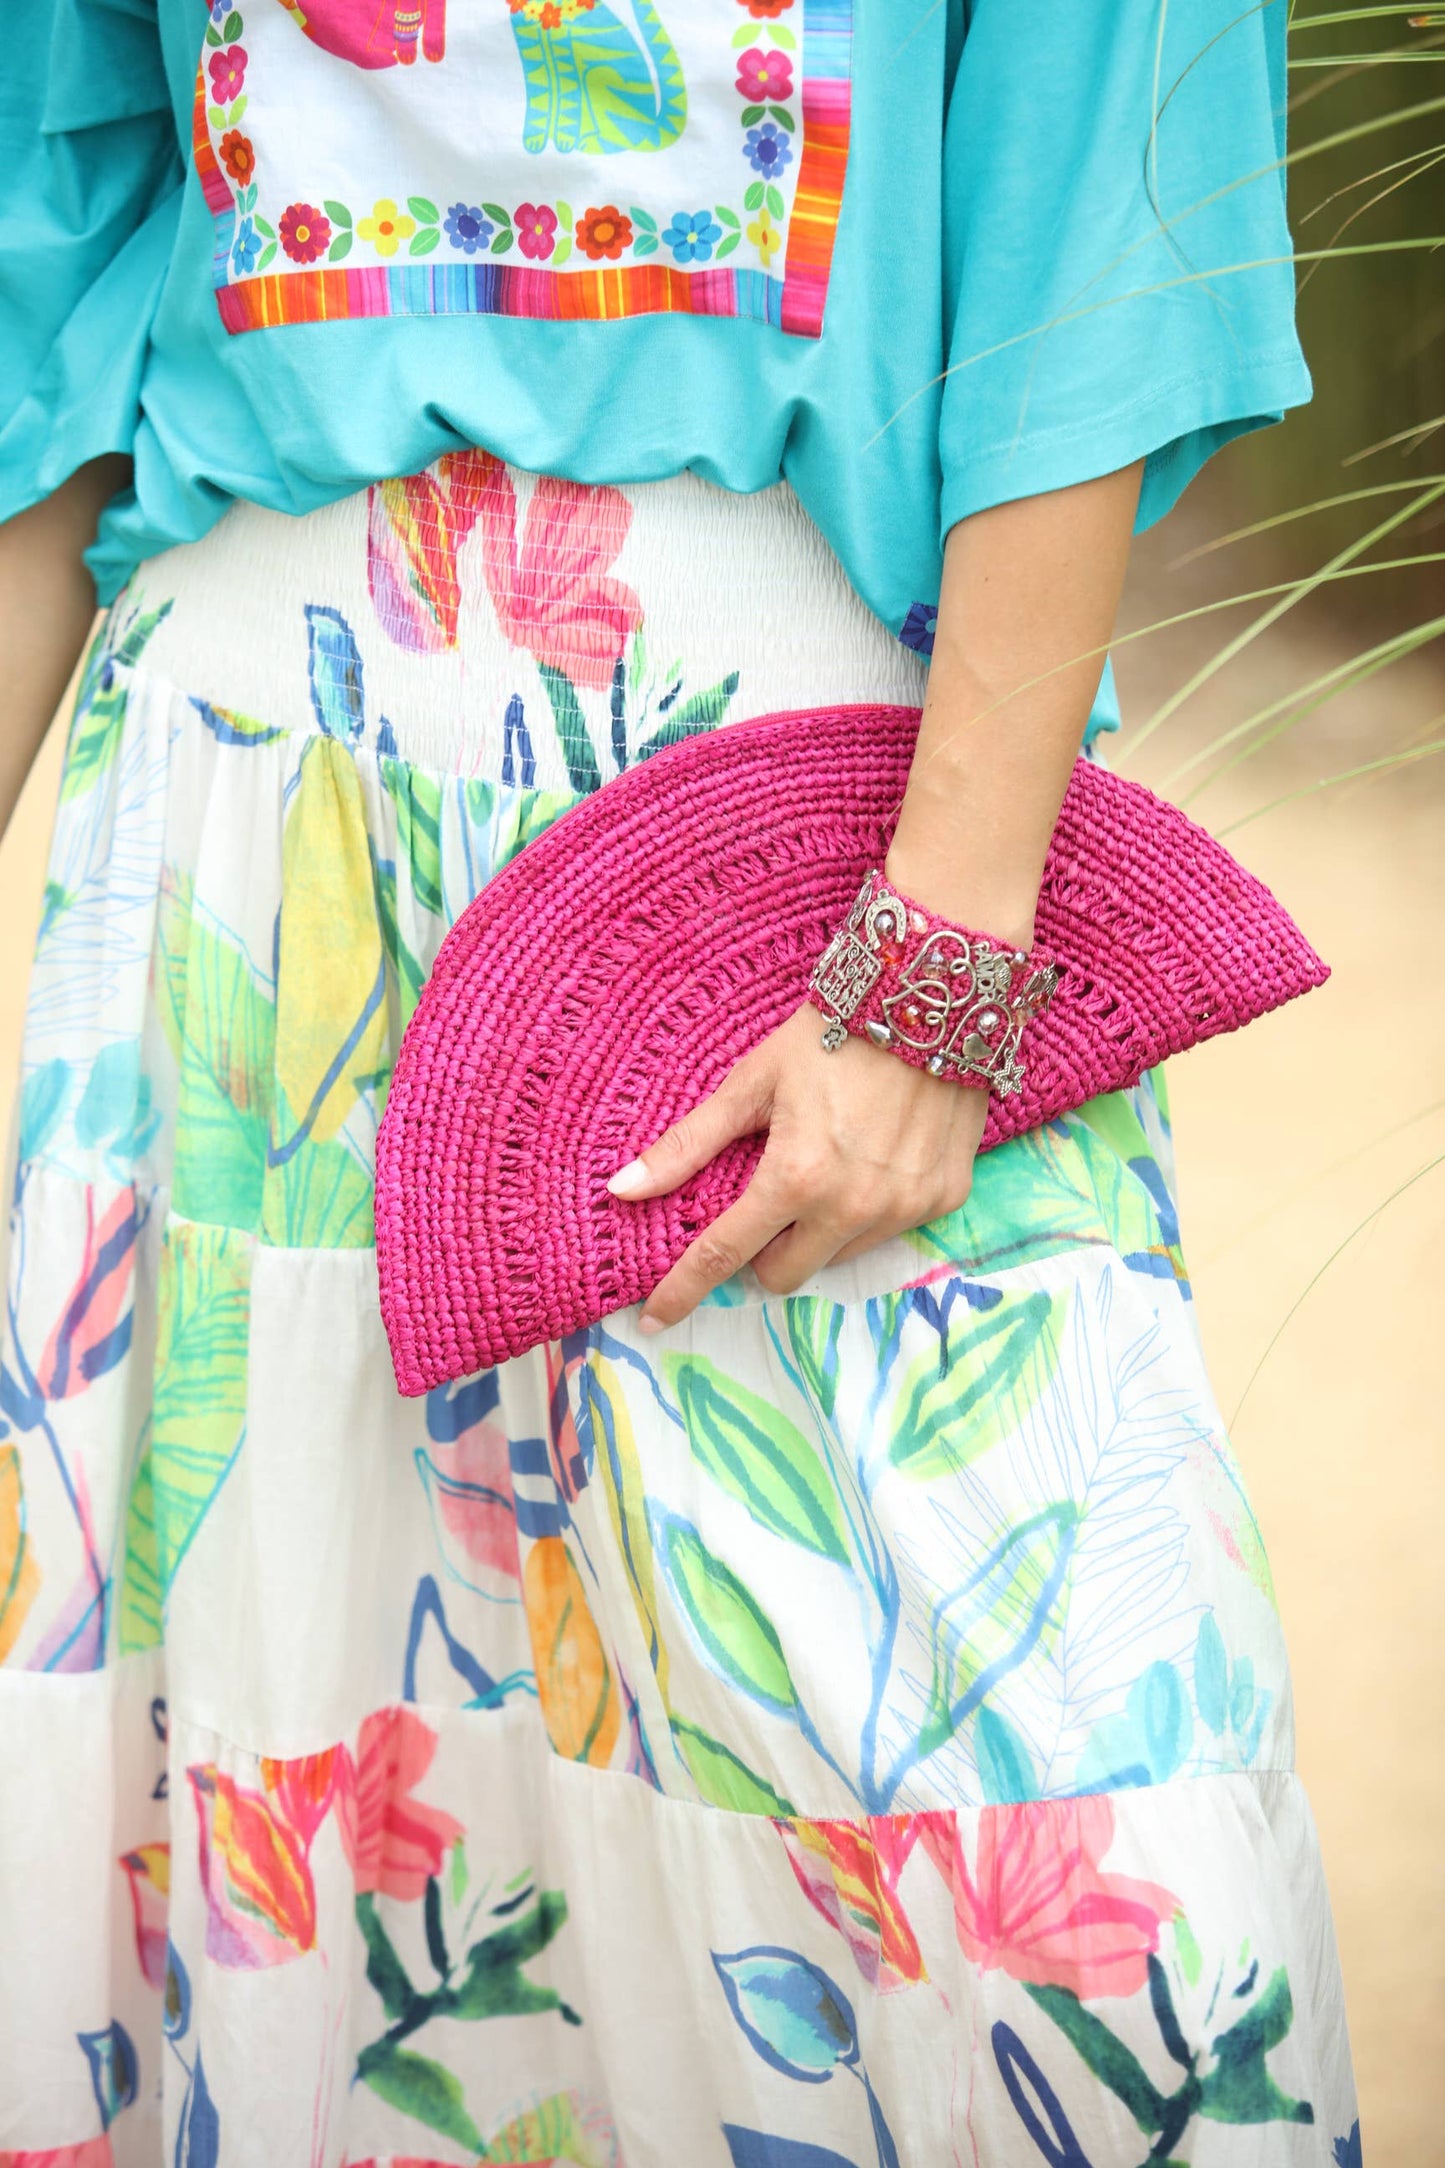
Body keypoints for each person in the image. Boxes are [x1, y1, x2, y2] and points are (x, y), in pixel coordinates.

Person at [0, 2, 1359, 2161]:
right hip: (252, 855)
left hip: (816, 826)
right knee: (346, 1874)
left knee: (1082, 1919)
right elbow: (57, 245)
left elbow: (1100, 213)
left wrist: (941, 959)